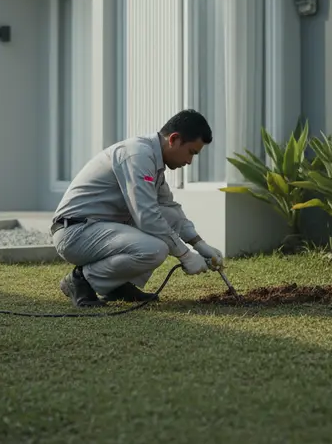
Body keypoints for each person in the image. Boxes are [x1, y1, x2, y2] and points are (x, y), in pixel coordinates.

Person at [50, 109, 226, 307]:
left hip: (99, 228)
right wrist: (185, 255)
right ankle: (82, 280)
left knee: (166, 215)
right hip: (75, 232)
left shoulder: (153, 161)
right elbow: (147, 216)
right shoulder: (138, 155)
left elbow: (170, 210)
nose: (189, 161)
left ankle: (116, 285)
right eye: (191, 152)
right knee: (156, 248)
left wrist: (200, 244)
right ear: (174, 139)